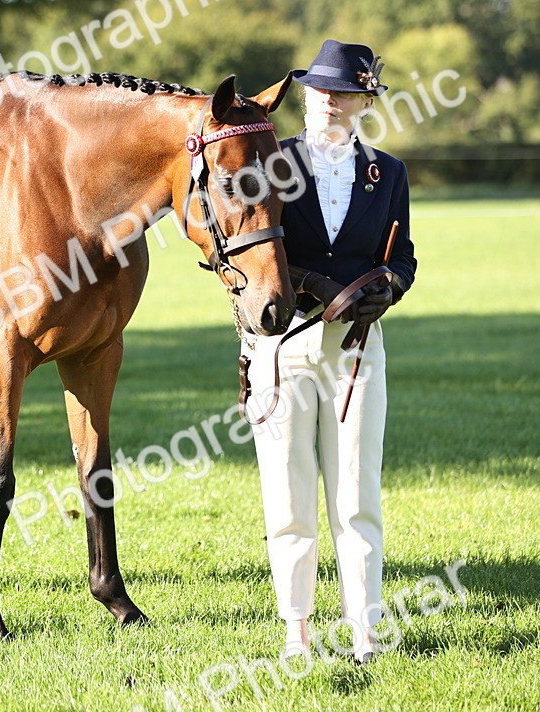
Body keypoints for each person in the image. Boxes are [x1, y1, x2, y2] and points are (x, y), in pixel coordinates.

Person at [241, 39, 417, 664]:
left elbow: (403, 254)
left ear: (364, 101)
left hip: (358, 349)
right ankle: (297, 629)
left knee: (357, 492)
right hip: (282, 343)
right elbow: (250, 246)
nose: (328, 101)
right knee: (288, 494)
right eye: (320, 89)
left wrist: (387, 288)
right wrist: (314, 284)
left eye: (344, 92)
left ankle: (365, 628)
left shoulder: (388, 172)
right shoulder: (272, 162)